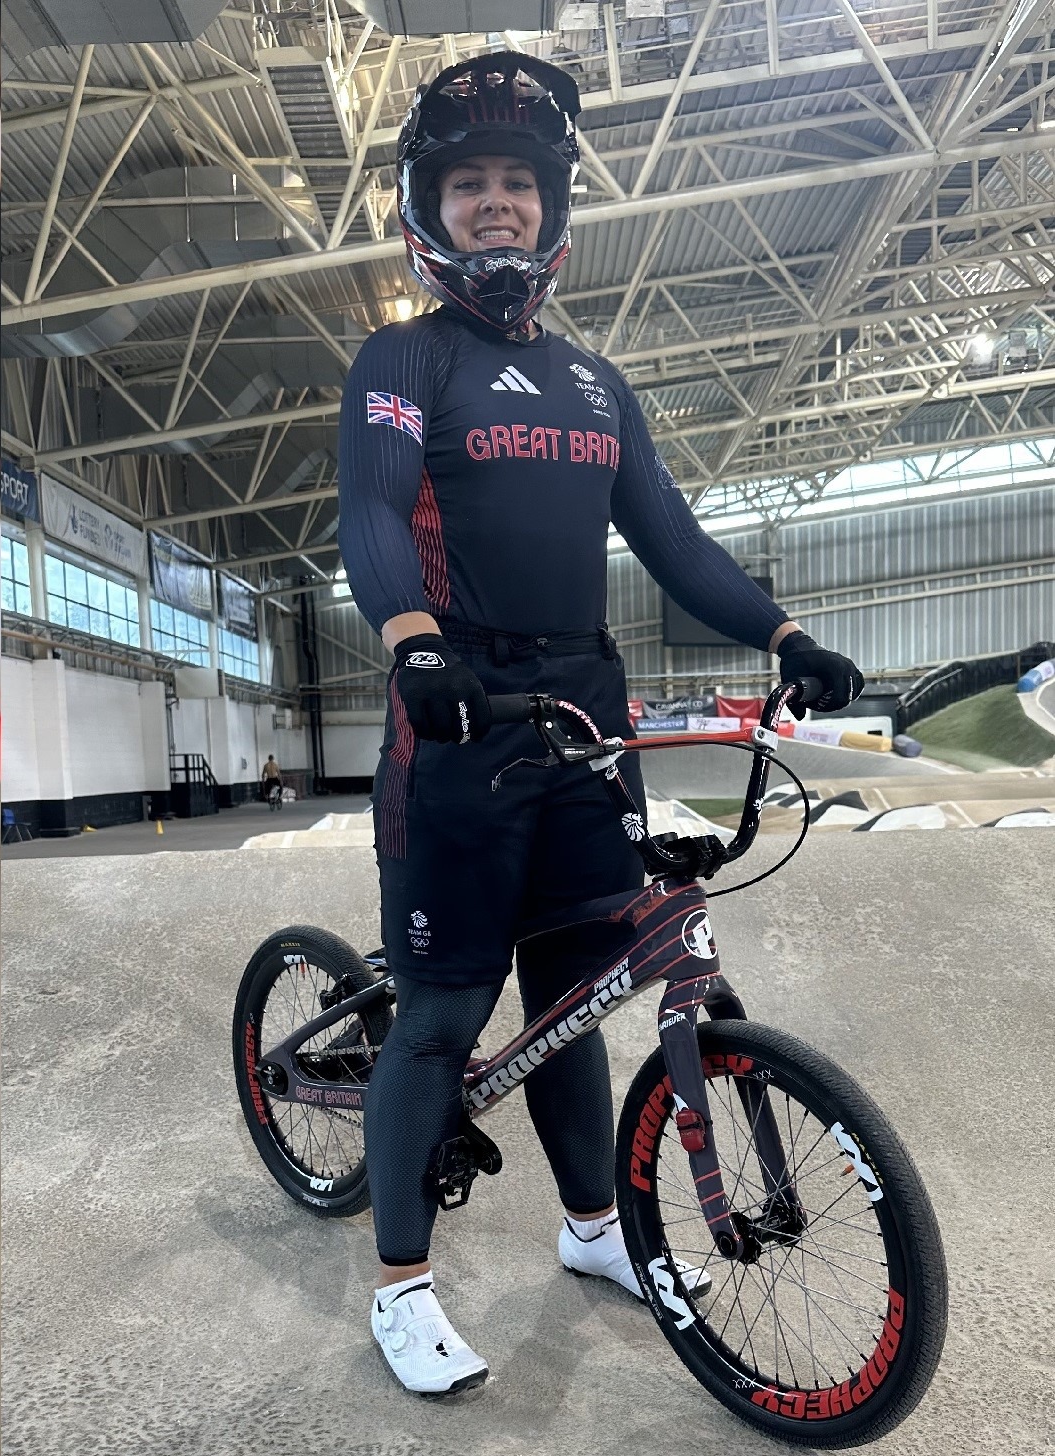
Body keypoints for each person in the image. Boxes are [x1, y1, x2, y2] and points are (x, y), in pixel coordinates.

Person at [335, 53, 863, 1397]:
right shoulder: (403, 359)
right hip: (455, 722)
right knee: (445, 1009)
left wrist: (783, 634)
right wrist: (413, 648)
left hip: (581, 716)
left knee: (576, 1001)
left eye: (518, 182)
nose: (496, 205)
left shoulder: (594, 387)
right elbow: (375, 514)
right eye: (471, 185)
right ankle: (399, 1285)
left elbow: (675, 544)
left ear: (552, 207)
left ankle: (588, 1230)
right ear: (429, 208)